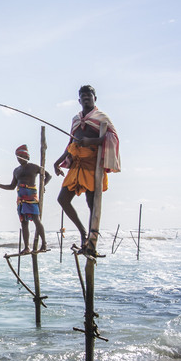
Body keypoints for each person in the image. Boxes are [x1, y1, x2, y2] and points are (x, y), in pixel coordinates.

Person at [53, 85, 120, 254]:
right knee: (62, 199)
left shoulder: (101, 117)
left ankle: (91, 242)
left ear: (94, 99)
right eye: (83, 97)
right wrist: (58, 162)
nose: (86, 99)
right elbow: (71, 143)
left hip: (93, 164)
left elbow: (111, 137)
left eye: (89, 97)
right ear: (79, 100)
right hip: (77, 163)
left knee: (92, 204)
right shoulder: (76, 119)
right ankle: (83, 232)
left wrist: (91, 141)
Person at [0, 144, 52, 255]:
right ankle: (26, 247)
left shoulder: (34, 167)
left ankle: (44, 244)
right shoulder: (16, 171)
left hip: (31, 196)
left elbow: (48, 176)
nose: (19, 158)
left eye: (21, 156)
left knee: (36, 219)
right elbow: (11, 186)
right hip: (20, 198)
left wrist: (43, 186)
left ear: (27, 157)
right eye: (17, 156)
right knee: (24, 223)